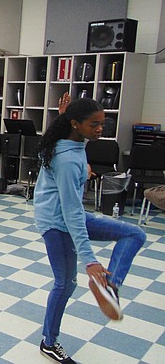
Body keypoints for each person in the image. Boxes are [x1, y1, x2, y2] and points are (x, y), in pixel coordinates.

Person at [33, 98, 146, 363]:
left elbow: (72, 206)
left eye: (102, 124)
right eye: (93, 125)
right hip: (56, 223)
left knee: (135, 234)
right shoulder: (68, 160)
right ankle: (49, 342)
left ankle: (109, 286)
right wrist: (90, 260)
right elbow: (72, 213)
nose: (99, 129)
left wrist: (63, 116)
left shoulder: (68, 139)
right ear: (76, 125)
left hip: (65, 213)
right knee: (64, 284)